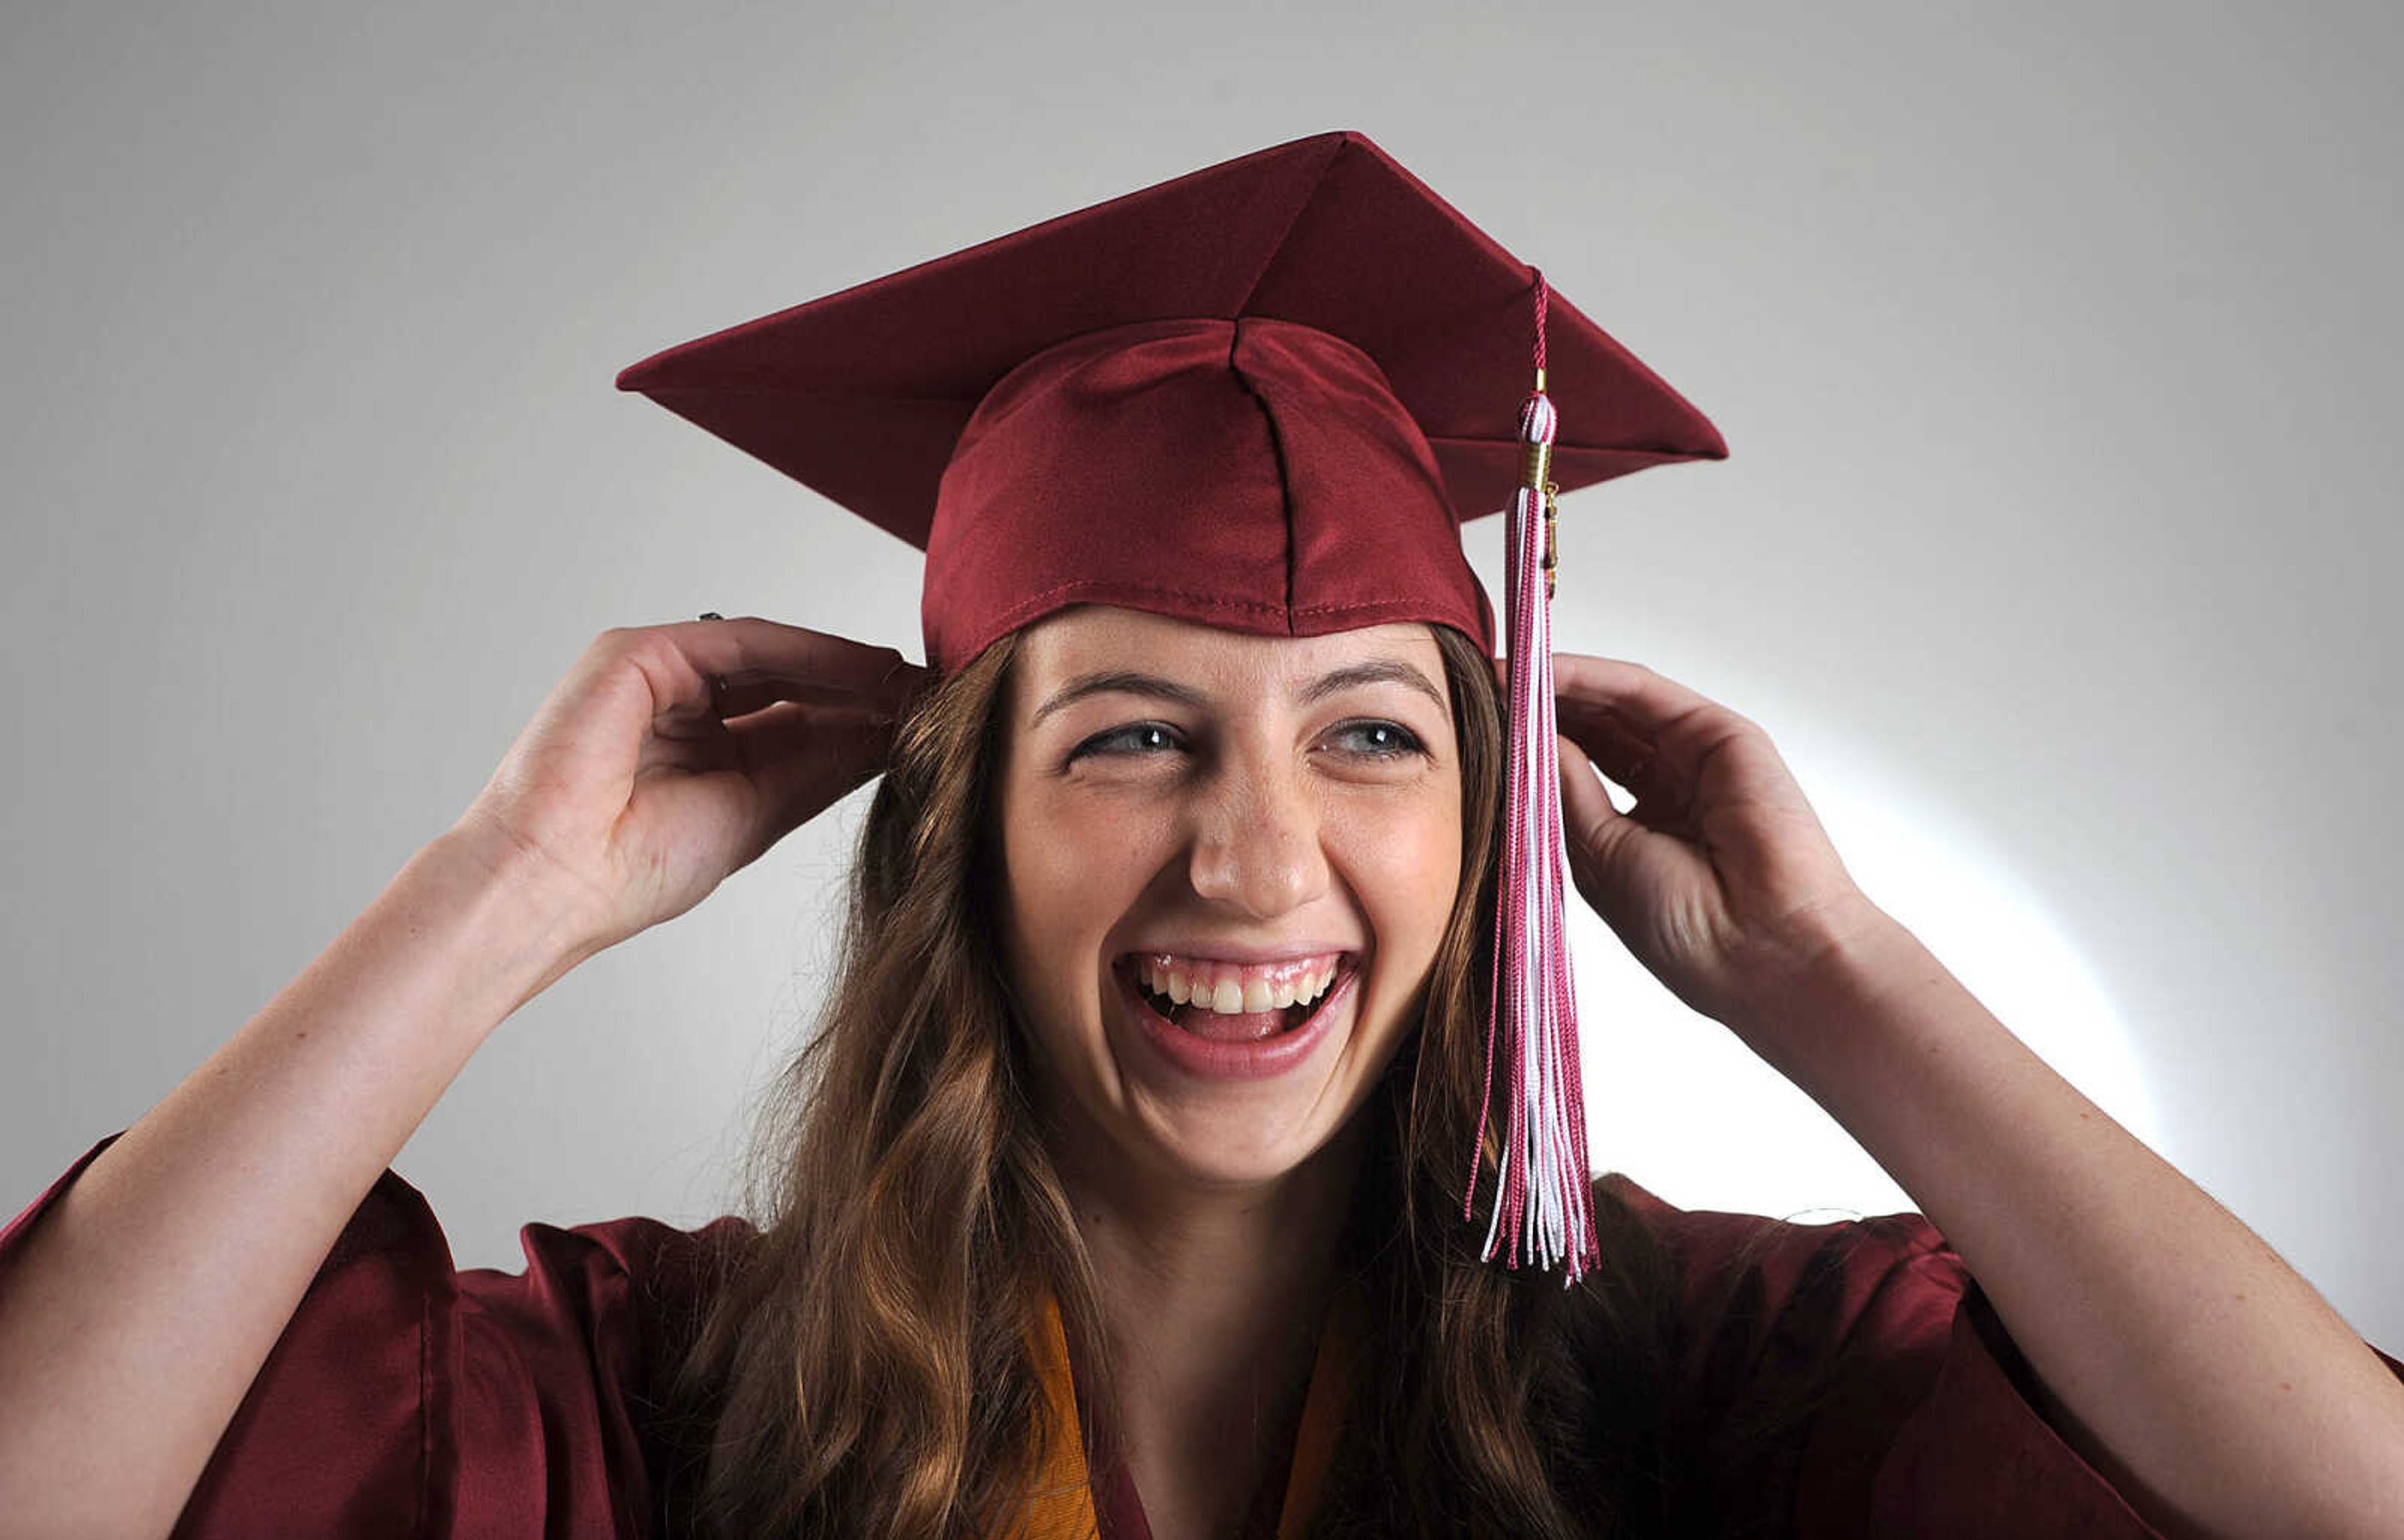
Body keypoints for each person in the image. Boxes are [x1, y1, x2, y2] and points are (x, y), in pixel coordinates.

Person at [2, 131, 2399, 1540]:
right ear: (960, 830)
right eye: (1133, 737)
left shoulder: (1687, 1381)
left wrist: (1829, 969)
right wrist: (502, 886)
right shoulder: (682, 1398)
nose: (1256, 863)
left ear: (1494, 816)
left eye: (1373, 738)